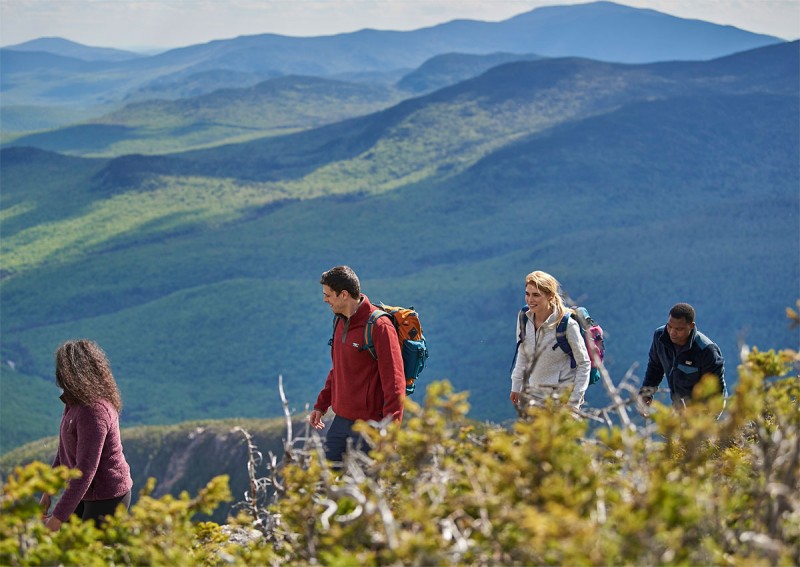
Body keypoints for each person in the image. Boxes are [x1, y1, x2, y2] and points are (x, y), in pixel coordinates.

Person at [309, 265, 406, 463]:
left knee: (365, 488)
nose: (325, 299)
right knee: (324, 482)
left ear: (343, 294)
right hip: (341, 421)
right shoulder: (339, 321)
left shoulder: (380, 327)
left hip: (370, 428)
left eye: (328, 295)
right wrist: (322, 405)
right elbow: (338, 369)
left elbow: (395, 384)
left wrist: (391, 432)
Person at [39, 340, 133, 531]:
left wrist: (54, 522)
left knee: (87, 555)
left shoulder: (95, 411)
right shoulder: (73, 402)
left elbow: (85, 470)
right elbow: (63, 451)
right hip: (85, 493)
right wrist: (47, 492)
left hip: (108, 497)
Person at [510, 271, 590, 410]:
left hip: (562, 398)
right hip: (534, 396)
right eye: (527, 294)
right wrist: (516, 385)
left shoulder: (567, 325)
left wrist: (574, 403)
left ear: (550, 296)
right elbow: (523, 352)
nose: (530, 300)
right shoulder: (524, 317)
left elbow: (584, 363)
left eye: (536, 295)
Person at [639, 303, 726, 412]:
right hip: (679, 409)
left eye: (679, 329)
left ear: (692, 326)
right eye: (669, 326)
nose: (672, 333)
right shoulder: (660, 337)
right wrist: (646, 394)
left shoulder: (707, 351)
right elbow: (655, 368)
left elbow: (716, 392)